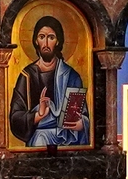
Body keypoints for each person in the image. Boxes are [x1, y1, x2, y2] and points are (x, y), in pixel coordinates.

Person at [9, 15, 88, 146]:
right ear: (35, 40)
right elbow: (15, 117)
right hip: (39, 136)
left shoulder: (71, 75)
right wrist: (38, 115)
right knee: (40, 138)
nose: (46, 44)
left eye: (51, 37)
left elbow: (83, 114)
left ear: (57, 41)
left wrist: (81, 124)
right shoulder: (26, 75)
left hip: (67, 137)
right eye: (42, 37)